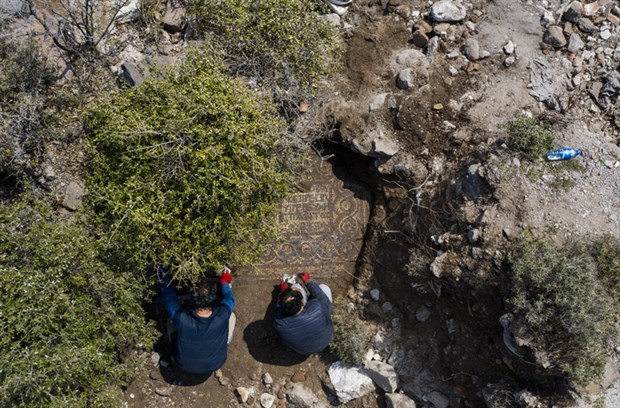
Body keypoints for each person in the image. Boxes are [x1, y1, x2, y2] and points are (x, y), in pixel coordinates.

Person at [159, 267, 236, 374]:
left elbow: (169, 297)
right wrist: (224, 282)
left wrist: (162, 274)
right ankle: (224, 342)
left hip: (182, 364)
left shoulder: (181, 318)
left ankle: (170, 342)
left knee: (170, 320)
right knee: (231, 316)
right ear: (213, 299)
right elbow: (230, 299)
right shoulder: (222, 314)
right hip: (216, 363)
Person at [273, 272, 333, 355]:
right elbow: (323, 298)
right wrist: (308, 281)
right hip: (326, 340)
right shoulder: (318, 308)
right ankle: (296, 285)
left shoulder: (279, 322)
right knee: (324, 288)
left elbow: (279, 307)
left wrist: (283, 292)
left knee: (296, 288)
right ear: (302, 302)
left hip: (303, 350)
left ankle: (294, 285)